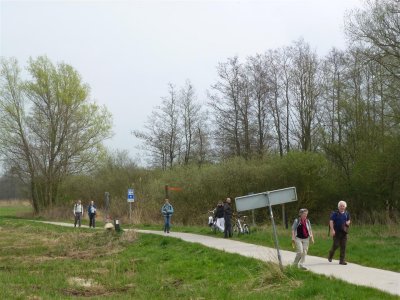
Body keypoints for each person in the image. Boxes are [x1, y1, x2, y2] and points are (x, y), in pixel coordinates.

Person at [328, 200, 351, 265]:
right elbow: (331, 221)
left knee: (343, 246)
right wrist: (332, 230)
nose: (342, 207)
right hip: (336, 232)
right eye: (341, 206)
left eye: (343, 206)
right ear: (338, 207)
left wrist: (348, 223)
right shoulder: (335, 214)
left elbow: (349, 220)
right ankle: (330, 254)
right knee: (336, 245)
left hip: (344, 232)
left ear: (345, 207)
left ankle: (342, 261)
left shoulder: (347, 213)